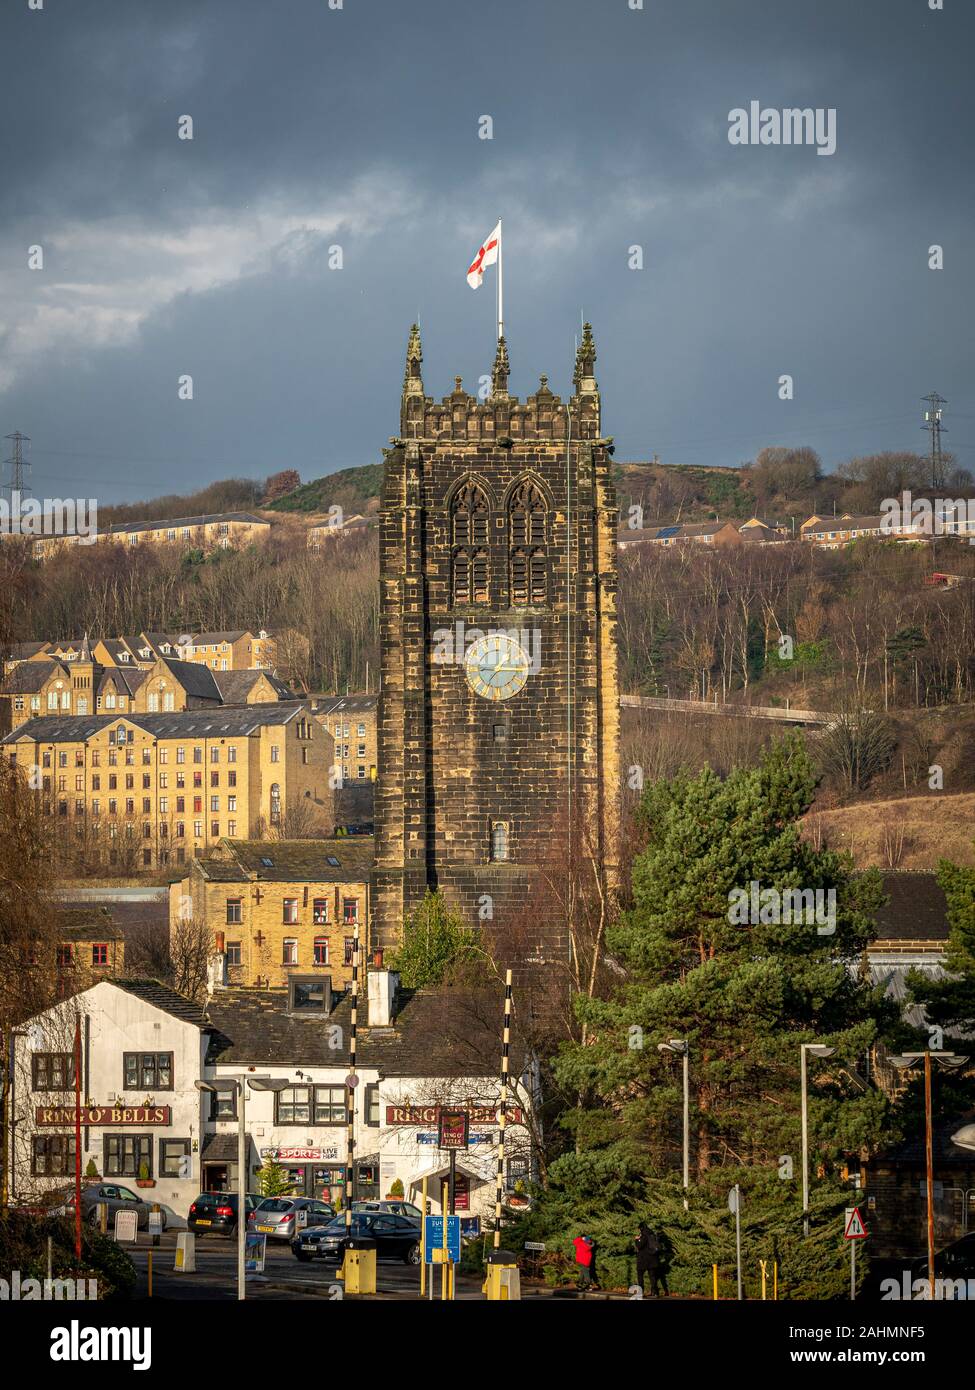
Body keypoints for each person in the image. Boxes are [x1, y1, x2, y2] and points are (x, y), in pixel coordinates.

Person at [634, 1223, 667, 1297]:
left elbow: (639, 1246)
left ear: (641, 1228)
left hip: (643, 1259)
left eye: (639, 1229)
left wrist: (636, 1240)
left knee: (640, 1275)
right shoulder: (652, 1234)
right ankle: (654, 1292)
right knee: (652, 1276)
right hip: (653, 1259)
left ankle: (641, 1293)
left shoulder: (644, 1235)